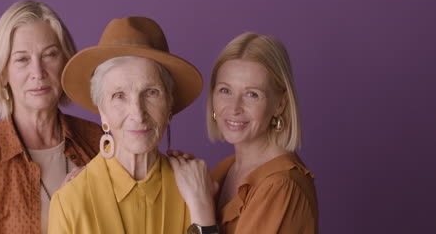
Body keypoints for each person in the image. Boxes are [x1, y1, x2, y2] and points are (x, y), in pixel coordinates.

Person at [48, 16, 215, 234]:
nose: (138, 113)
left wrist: (203, 212)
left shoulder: (197, 191)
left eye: (151, 92)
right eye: (119, 96)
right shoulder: (69, 202)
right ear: (102, 111)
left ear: (169, 105)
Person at [0, 0, 102, 234]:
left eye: (49, 54)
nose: (38, 73)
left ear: (66, 63)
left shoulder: (99, 143)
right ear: (3, 73)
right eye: (22, 59)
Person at [170, 32, 319, 233]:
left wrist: (201, 208)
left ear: (280, 104)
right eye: (225, 90)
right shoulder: (224, 170)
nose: (234, 108)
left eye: (252, 94)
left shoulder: (282, 187)